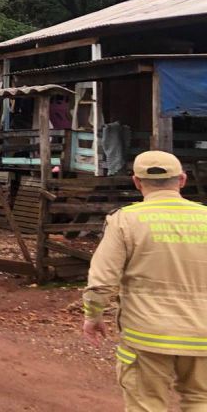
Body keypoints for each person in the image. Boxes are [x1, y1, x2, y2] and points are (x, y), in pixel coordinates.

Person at [83, 150, 207, 410]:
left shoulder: (125, 220)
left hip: (147, 335)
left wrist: (93, 316)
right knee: (201, 400)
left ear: (137, 182)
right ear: (182, 180)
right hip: (202, 336)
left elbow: (101, 282)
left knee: (146, 405)